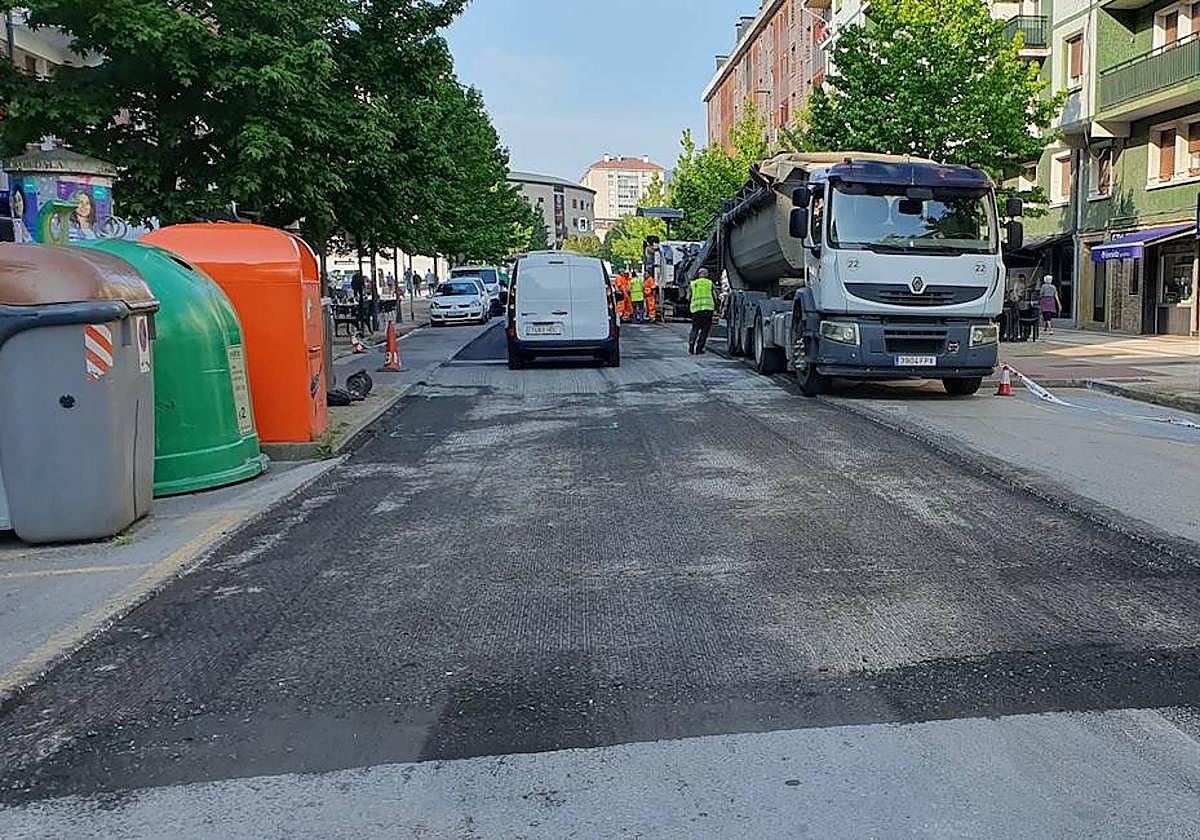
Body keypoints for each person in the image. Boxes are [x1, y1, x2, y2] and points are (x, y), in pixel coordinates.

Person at [688, 268, 717, 354]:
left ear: (699, 274)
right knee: (705, 330)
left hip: (696, 310)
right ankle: (699, 349)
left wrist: (690, 304)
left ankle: (691, 345)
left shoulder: (693, 284)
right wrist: (716, 307)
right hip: (707, 310)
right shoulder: (709, 283)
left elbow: (689, 297)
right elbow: (715, 296)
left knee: (695, 328)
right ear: (706, 274)